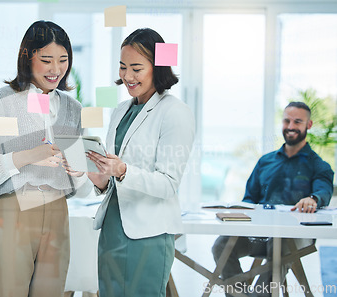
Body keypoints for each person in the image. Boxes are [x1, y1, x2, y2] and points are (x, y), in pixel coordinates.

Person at [0, 21, 86, 297]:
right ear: (27, 57)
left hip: (58, 214)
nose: (56, 69)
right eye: (46, 60)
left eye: (63, 60)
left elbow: (80, 181)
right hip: (11, 213)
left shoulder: (74, 108)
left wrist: (81, 170)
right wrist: (23, 157)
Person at [86, 28, 195, 297]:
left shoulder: (175, 112)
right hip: (112, 227)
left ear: (157, 68)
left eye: (136, 68)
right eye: (123, 67)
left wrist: (122, 171)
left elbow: (168, 184)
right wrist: (100, 178)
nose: (127, 76)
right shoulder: (121, 110)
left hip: (149, 233)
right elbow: (114, 174)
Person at [211, 101, 334, 297]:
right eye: (287, 121)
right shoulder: (265, 161)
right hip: (259, 233)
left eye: (298, 121)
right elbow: (249, 200)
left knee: (279, 245)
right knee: (221, 245)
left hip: (294, 237)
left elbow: (323, 191)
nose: (291, 126)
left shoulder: (320, 166)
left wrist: (313, 199)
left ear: (308, 125)